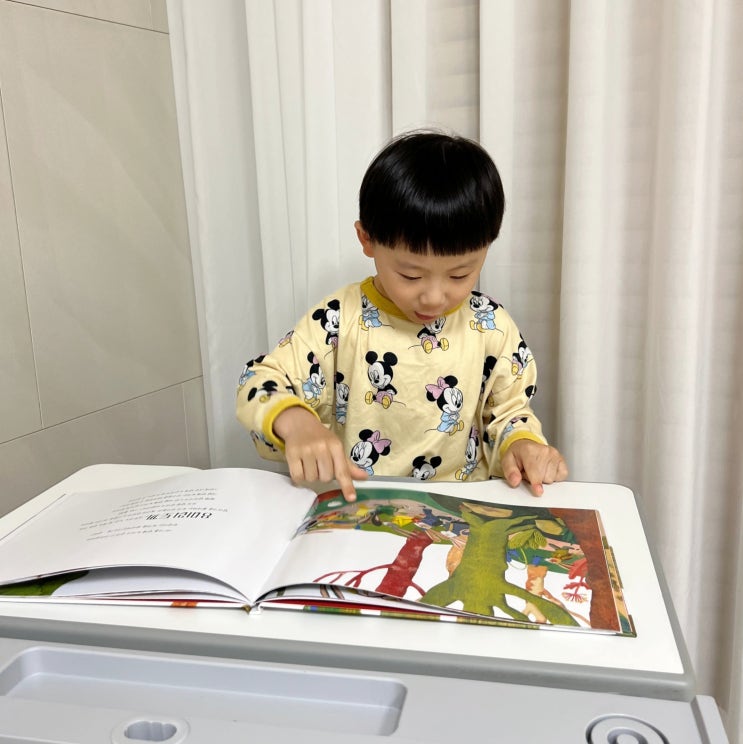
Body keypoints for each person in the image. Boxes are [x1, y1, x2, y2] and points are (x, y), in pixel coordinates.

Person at [236, 130, 567, 502]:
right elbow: (260, 381)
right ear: (367, 240)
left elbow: (508, 412)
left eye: (460, 275)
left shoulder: (489, 324)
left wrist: (521, 445)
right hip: (358, 507)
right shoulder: (338, 320)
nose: (434, 297)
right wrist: (297, 422)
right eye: (411, 275)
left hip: (457, 511)